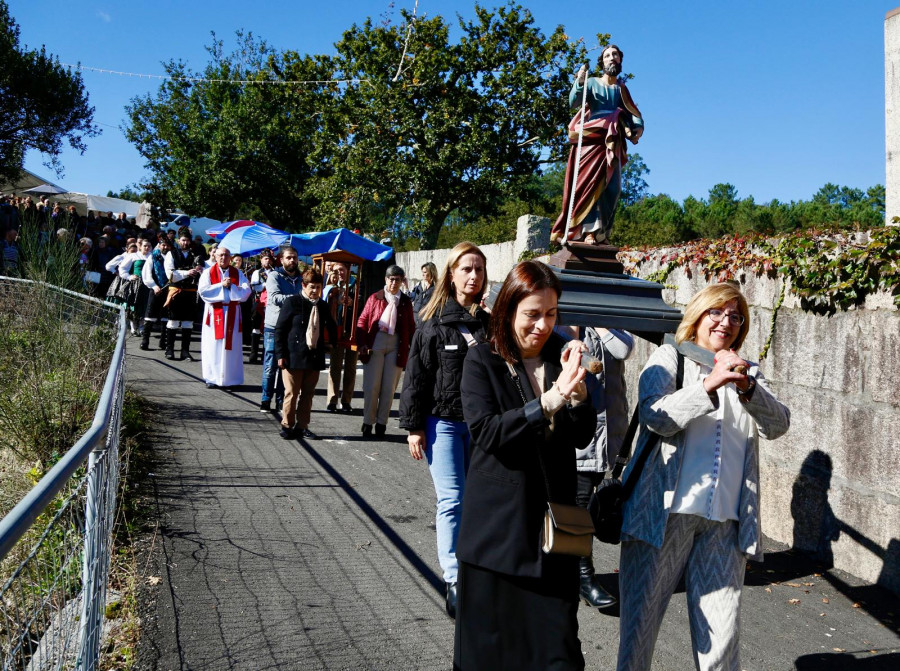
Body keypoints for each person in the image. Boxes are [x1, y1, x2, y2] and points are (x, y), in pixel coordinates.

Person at [616, 283, 790, 671]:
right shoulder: (668, 359)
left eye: (735, 316)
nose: (725, 322)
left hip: (724, 526)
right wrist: (709, 383)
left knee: (723, 644)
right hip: (662, 519)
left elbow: (779, 425)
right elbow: (655, 416)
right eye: (716, 311)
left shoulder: (749, 372)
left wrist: (747, 387)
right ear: (697, 315)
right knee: (638, 636)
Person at [454, 260, 596, 670]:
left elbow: (583, 435)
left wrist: (579, 395)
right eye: (532, 314)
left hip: (553, 534)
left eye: (551, 314)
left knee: (558, 654)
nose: (543, 325)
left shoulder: (561, 357)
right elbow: (488, 433)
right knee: (490, 655)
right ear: (508, 311)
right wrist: (549, 400)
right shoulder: (482, 360)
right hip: (498, 537)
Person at [399, 243, 488, 618]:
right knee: (452, 499)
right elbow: (415, 379)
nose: (473, 276)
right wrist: (414, 427)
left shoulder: (489, 326)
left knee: (478, 502)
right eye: (466, 269)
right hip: (444, 424)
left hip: (483, 427)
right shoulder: (432, 324)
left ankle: (476, 570)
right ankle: (454, 578)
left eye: (479, 270)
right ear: (451, 274)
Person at [551, 45, 644, 245]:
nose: (612, 58)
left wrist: (637, 128)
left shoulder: (621, 88)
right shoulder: (592, 83)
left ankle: (603, 233)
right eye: (607, 55)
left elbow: (633, 112)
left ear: (620, 60)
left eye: (615, 55)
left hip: (613, 142)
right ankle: (589, 231)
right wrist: (579, 82)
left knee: (613, 188)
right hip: (592, 139)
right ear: (602, 62)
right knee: (590, 186)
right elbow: (573, 103)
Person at [576, 327, 634, 611]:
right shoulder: (565, 319)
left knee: (590, 507)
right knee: (580, 508)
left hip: (609, 435)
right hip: (580, 435)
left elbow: (624, 349)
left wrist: (600, 318)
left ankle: (572, 573)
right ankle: (584, 578)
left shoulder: (609, 322)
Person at [274, 268, 337, 440]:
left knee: (308, 394)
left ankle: (302, 426)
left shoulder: (323, 306)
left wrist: (333, 344)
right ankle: (287, 425)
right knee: (291, 393)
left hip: (313, 356)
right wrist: (280, 354)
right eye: (312, 287)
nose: (315, 291)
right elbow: (280, 330)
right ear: (303, 285)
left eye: (318, 287)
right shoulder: (292, 302)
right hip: (293, 356)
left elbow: (331, 326)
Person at [356, 264, 416, 438]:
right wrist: (362, 343)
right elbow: (362, 320)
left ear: (402, 281)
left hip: (397, 344)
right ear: (385, 279)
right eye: (391, 279)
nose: (394, 283)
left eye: (397, 280)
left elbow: (411, 326)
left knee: (389, 388)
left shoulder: (405, 301)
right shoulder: (375, 298)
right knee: (372, 386)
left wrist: (414, 348)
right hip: (376, 342)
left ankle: (382, 423)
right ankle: (368, 422)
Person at [197, 246, 251, 389]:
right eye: (220, 255)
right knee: (213, 346)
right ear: (215, 256)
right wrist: (221, 285)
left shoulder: (238, 273)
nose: (223, 258)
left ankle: (231, 379)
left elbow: (246, 292)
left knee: (231, 348)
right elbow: (203, 291)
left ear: (230, 258)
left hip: (232, 312)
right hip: (215, 311)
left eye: (226, 255)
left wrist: (231, 287)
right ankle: (211, 378)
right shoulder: (208, 272)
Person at [261, 246, 304, 412]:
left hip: (293, 328)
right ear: (281, 259)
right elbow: (275, 298)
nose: (292, 261)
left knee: (285, 366)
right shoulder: (274, 276)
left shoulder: (301, 279)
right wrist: (300, 298)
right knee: (270, 366)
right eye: (288, 258)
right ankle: (266, 400)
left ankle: (281, 400)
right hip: (274, 327)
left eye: (294, 257)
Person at [164, 228, 205, 361]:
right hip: (176, 291)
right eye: (183, 240)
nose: (185, 243)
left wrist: (199, 270)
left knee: (188, 322)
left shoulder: (196, 255)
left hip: (191, 292)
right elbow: (170, 275)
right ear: (178, 240)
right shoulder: (172, 254)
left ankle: (185, 351)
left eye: (187, 240)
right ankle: (169, 349)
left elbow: (205, 272)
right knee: (173, 321)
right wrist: (186, 273)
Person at [323, 262, 359, 413]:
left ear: (348, 270)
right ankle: (332, 400)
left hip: (353, 331)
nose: (340, 273)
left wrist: (351, 303)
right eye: (337, 270)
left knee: (351, 367)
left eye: (342, 270)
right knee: (335, 366)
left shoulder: (356, 285)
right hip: (336, 331)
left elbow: (362, 303)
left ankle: (346, 401)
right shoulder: (330, 286)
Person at [141, 236, 173, 351]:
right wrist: (154, 286)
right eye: (162, 245)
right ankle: (145, 341)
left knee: (165, 315)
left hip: (168, 289)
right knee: (150, 314)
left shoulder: (172, 257)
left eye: (166, 245)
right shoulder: (153, 257)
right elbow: (146, 273)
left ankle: (163, 342)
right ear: (159, 245)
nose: (164, 247)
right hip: (155, 289)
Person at [248, 249, 275, 364]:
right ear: (261, 260)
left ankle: (265, 355)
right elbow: (255, 287)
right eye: (265, 259)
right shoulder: (257, 272)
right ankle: (253, 354)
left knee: (267, 329)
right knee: (256, 328)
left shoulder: (275, 272)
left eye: (269, 259)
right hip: (259, 302)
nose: (267, 261)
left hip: (271, 303)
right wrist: (265, 284)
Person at [409, 261, 438, 328]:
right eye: (422, 272)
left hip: (427, 320)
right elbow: (411, 298)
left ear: (431, 272)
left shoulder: (437, 287)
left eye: (425, 272)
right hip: (414, 318)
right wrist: (406, 287)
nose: (422, 274)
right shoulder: (418, 285)